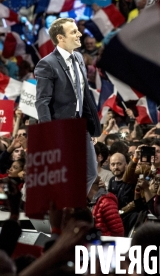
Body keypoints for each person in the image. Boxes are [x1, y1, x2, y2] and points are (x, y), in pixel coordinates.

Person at [35, 18, 102, 192]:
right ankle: (62, 212)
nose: (79, 34)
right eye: (73, 32)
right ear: (60, 38)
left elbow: (85, 95)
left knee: (90, 172)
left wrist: (92, 127)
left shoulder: (79, 58)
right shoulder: (47, 64)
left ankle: (72, 208)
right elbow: (42, 101)